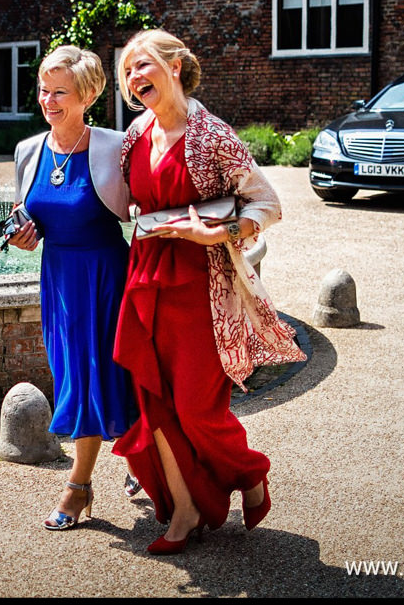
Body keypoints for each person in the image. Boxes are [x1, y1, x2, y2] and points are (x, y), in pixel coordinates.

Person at [110, 29, 307, 555]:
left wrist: (219, 233)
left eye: (143, 65)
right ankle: (183, 510)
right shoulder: (134, 136)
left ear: (175, 67)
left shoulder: (213, 134)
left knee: (197, 409)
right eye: (127, 71)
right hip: (146, 281)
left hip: (202, 289)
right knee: (153, 405)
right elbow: (129, 203)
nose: (134, 78)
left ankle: (250, 470)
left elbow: (267, 203)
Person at [8, 45, 137, 530]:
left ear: (87, 96)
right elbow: (29, 219)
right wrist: (23, 238)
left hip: (108, 277)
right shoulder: (28, 151)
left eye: (60, 91)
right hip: (58, 279)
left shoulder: (114, 145)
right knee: (72, 375)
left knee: (101, 375)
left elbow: (145, 209)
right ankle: (134, 457)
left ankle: (77, 486)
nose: (49, 99)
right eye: (44, 89)